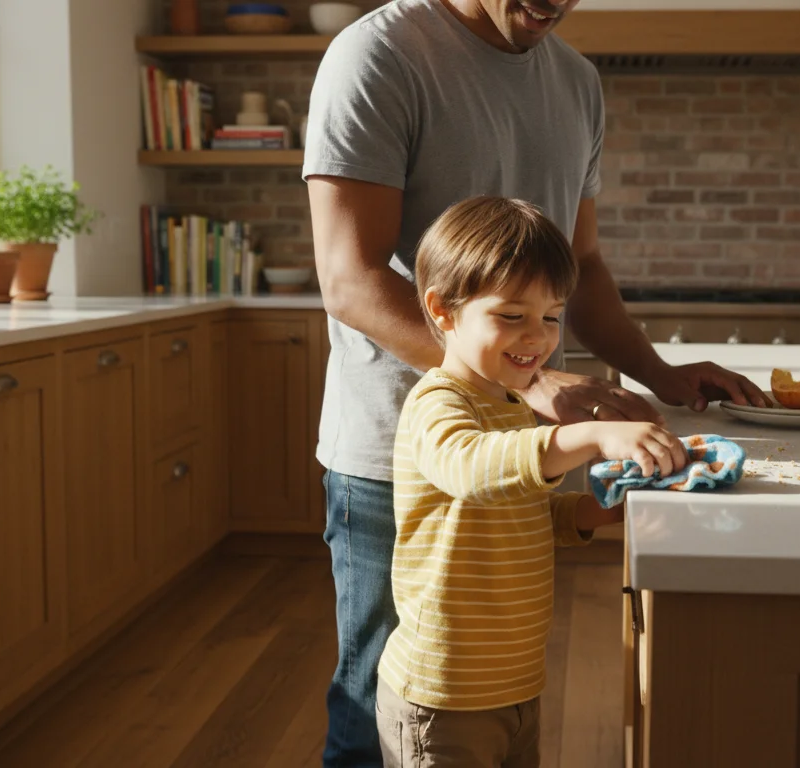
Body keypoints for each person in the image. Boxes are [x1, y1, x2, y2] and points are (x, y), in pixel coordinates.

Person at [303, 1, 768, 764]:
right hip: (396, 453)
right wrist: (538, 387)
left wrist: (661, 376)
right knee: (375, 716)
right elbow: (350, 279)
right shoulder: (379, 55)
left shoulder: (577, 81)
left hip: (521, 445)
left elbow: (578, 268)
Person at [376, 195, 687, 767]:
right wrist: (590, 439)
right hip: (443, 698)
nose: (537, 338)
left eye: (550, 317)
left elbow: (518, 514)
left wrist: (594, 512)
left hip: (513, 683)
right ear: (443, 311)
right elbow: (474, 470)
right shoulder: (438, 403)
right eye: (512, 316)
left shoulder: (510, 404)